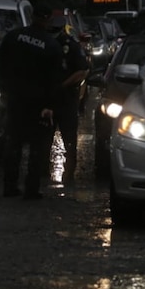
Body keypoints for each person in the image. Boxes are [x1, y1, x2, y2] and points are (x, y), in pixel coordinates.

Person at [0, 3, 63, 199]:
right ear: (48, 19)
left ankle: (9, 187)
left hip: (16, 99)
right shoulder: (51, 45)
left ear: (32, 16)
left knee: (14, 143)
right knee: (37, 146)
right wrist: (50, 106)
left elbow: (0, 65)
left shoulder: (14, 37)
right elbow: (54, 79)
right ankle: (31, 189)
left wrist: (4, 90)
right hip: (38, 104)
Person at [51, 15, 90, 184]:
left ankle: (69, 173)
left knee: (69, 138)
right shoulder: (44, 43)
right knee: (42, 137)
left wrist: (62, 85)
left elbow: (81, 71)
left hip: (66, 98)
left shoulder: (71, 46)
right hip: (46, 98)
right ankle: (40, 172)